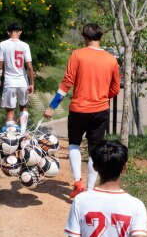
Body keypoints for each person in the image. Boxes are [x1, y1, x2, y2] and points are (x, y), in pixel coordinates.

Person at [43, 23, 120, 199]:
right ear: (101, 37)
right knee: (95, 149)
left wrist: (52, 106)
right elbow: (115, 89)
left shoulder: (77, 55)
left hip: (79, 109)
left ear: (85, 37)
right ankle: (91, 190)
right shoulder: (111, 59)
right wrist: (101, 95)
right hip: (101, 109)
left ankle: (78, 182)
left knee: (74, 144)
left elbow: (66, 82)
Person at [0, 22, 35, 133]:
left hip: (9, 81)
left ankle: (10, 137)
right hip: (23, 81)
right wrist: (32, 84)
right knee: (23, 106)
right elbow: (29, 67)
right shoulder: (25, 45)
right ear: (20, 32)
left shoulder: (3, 45)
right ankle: (22, 132)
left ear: (8, 32)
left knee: (10, 110)